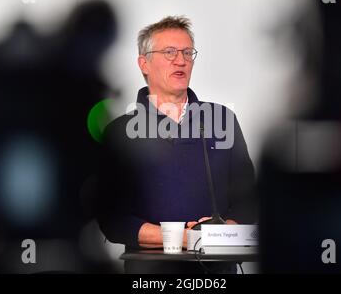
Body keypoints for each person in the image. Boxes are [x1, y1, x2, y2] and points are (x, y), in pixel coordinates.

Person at [95, 16, 257, 273]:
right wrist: (182, 238)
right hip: (150, 273)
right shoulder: (120, 132)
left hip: (216, 271)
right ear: (144, 63)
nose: (180, 60)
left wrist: (227, 230)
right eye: (169, 52)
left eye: (187, 52)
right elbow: (111, 218)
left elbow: (249, 196)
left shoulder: (222, 119)